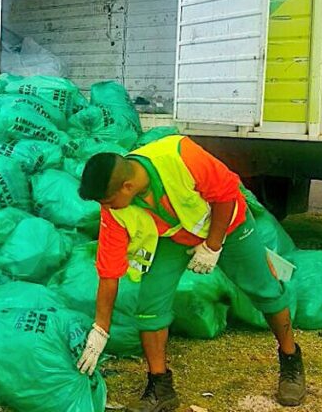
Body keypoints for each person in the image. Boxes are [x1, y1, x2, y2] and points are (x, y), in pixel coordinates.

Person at [75, 134, 306, 411]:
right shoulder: (113, 210)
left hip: (228, 225)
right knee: (149, 306)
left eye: (109, 200)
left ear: (127, 186)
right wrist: (100, 329)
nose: (106, 207)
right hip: (174, 237)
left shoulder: (180, 155)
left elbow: (226, 193)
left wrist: (213, 245)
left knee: (265, 290)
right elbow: (109, 271)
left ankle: (290, 360)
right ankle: (160, 387)